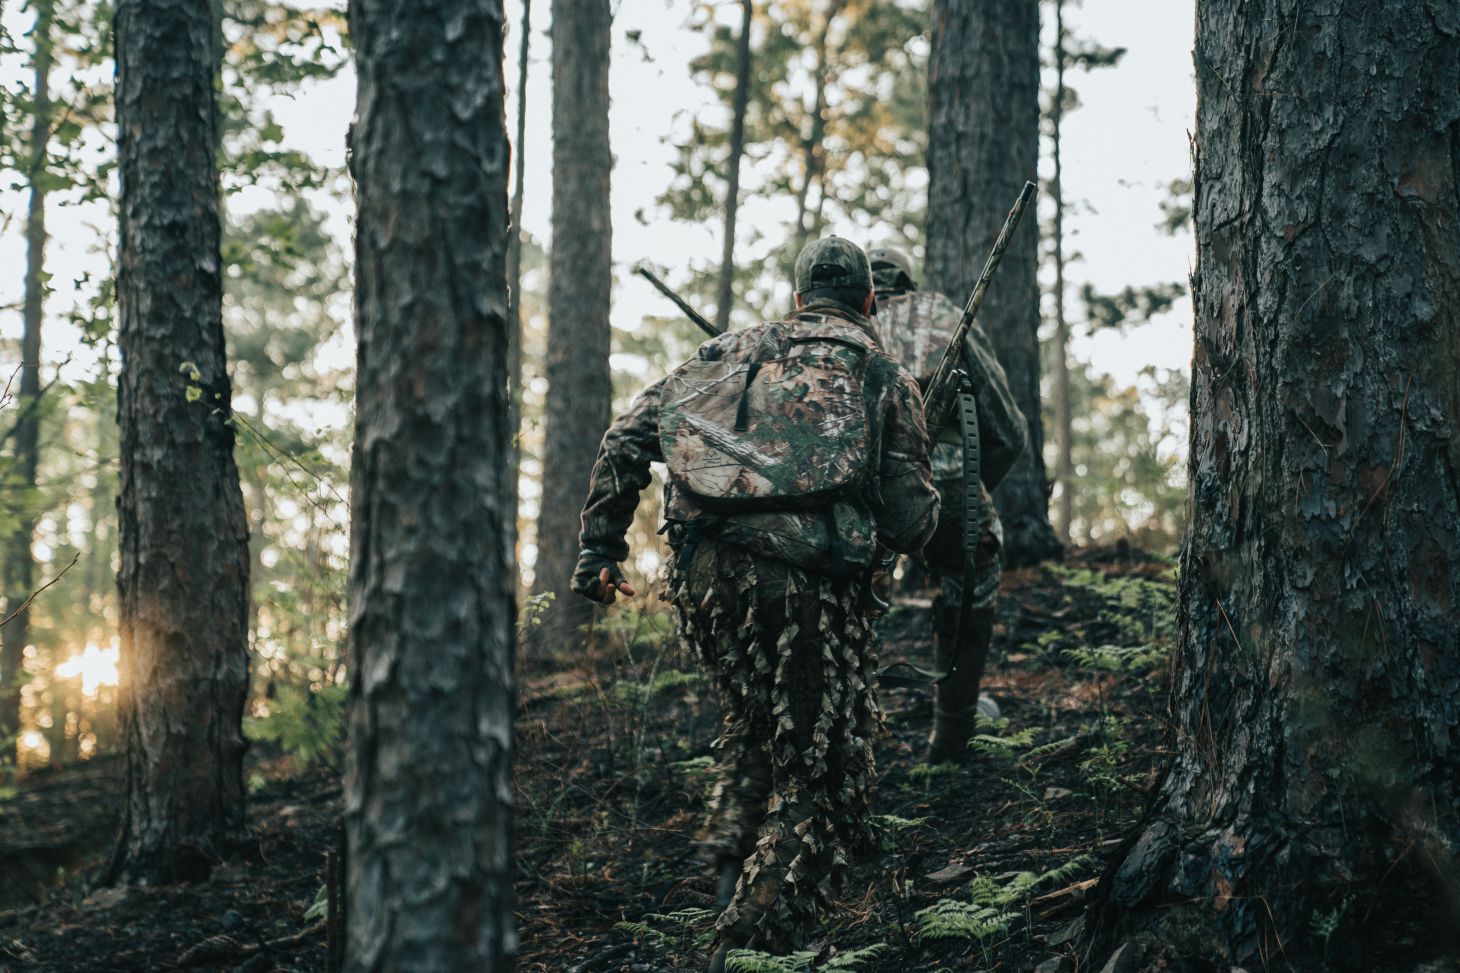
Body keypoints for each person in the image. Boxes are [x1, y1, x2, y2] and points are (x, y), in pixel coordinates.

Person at [570, 237, 939, 970]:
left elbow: (625, 438)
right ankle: (750, 943)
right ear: (870, 302)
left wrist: (599, 550)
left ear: (799, 298)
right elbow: (910, 521)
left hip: (704, 582)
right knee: (822, 776)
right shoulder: (886, 374)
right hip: (810, 594)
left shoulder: (725, 352)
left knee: (754, 719)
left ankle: (728, 866)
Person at [866, 245, 1028, 762]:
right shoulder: (940, 315)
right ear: (907, 282)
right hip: (947, 477)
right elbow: (1005, 426)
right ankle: (952, 734)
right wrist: (970, 490)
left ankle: (845, 740)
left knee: (843, 611)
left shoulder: (835, 327)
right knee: (969, 586)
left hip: (851, 490)